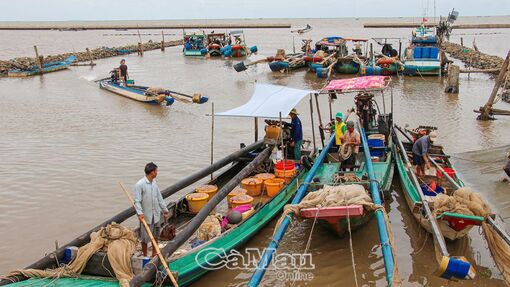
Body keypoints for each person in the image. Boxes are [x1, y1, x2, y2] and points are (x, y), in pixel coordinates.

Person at [134, 162, 169, 257]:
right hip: (146, 216)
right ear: (152, 172)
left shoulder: (154, 183)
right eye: (156, 171)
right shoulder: (140, 184)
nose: (157, 172)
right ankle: (145, 255)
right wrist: (140, 213)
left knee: (155, 235)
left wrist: (165, 210)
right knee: (145, 238)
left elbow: (159, 197)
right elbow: (137, 201)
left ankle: (154, 253)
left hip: (156, 214)